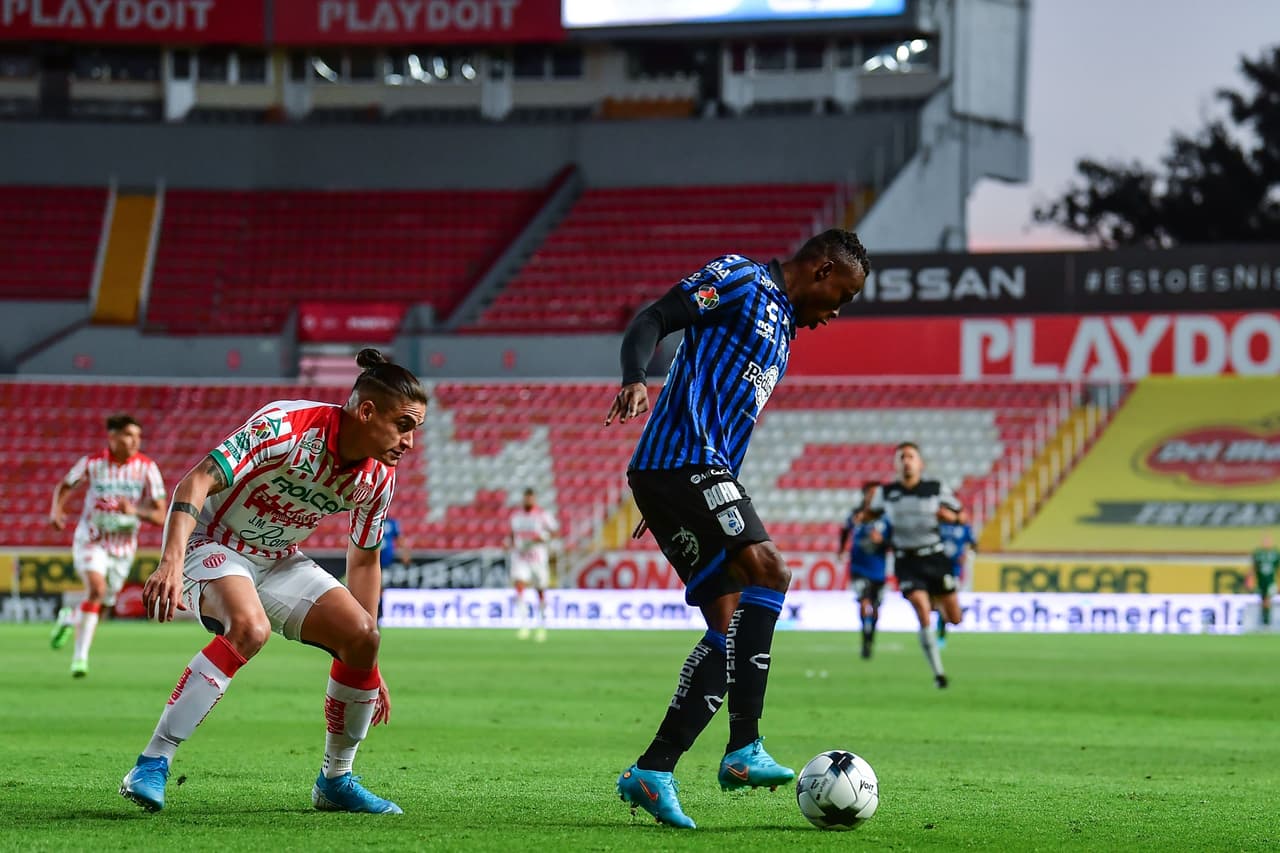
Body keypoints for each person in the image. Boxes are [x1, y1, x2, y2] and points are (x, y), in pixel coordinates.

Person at [604, 229, 870, 829]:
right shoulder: (743, 280)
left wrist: (673, 500)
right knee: (771, 570)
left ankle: (654, 770)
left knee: (729, 632)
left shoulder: (782, 332)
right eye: (841, 297)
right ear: (824, 269)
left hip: (688, 476)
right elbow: (655, 317)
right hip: (683, 463)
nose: (834, 313)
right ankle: (743, 749)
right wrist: (634, 377)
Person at [118, 348, 427, 815]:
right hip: (213, 542)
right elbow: (196, 481)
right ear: (367, 411)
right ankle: (152, 762)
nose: (409, 442)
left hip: (279, 559)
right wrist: (170, 562)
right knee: (250, 627)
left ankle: (335, 781)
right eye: (404, 426)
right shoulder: (286, 427)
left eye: (415, 431)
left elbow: (364, 560)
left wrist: (367, 663)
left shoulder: (379, 477)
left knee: (364, 637)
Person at [48, 414, 166, 677]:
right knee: (97, 590)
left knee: (101, 603)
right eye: (129, 435)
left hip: (123, 547)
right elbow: (65, 485)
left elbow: (160, 515)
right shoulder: (92, 464)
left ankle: (69, 618)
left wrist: (134, 511)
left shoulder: (147, 468)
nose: (135, 441)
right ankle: (80, 660)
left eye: (138, 436)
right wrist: (57, 511)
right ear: (112, 437)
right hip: (92, 539)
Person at [869, 442, 964, 689]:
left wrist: (951, 517)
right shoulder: (886, 493)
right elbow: (871, 515)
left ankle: (939, 611)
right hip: (906, 560)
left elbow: (962, 515)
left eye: (911, 456)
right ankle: (939, 674)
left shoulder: (935, 489)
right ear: (896, 464)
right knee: (921, 608)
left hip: (935, 557)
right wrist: (874, 531)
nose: (906, 461)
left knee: (955, 618)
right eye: (902, 457)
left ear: (920, 463)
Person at [836, 482, 890, 660]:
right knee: (863, 601)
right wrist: (842, 549)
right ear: (865, 495)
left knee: (875, 607)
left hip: (878, 569)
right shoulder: (855, 514)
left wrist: (881, 541)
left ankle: (870, 637)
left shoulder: (886, 517)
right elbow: (845, 531)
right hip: (858, 566)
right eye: (871, 493)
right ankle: (864, 637)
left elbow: (893, 541)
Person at [509, 487, 558, 642]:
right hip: (521, 557)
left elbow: (555, 532)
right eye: (526, 498)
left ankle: (541, 625)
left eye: (530, 498)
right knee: (519, 585)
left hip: (537, 559)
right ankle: (524, 625)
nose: (528, 501)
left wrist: (543, 538)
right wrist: (508, 543)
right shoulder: (516, 517)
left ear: (534, 499)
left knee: (540, 591)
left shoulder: (543, 515)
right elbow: (512, 535)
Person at [936, 519, 976, 648]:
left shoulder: (964, 527)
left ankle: (941, 634)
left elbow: (974, 544)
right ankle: (941, 631)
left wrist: (968, 555)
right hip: (937, 569)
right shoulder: (939, 525)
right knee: (939, 603)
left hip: (954, 572)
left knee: (945, 601)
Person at [1249, 534, 1279, 627]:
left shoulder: (1275, 554)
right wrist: (1250, 580)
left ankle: (1267, 621)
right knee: (1263, 600)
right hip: (1260, 582)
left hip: (1270, 581)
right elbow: (1253, 568)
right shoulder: (1258, 554)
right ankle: (1264, 620)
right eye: (1265, 541)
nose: (1266, 543)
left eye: (1268, 541)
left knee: (1267, 599)